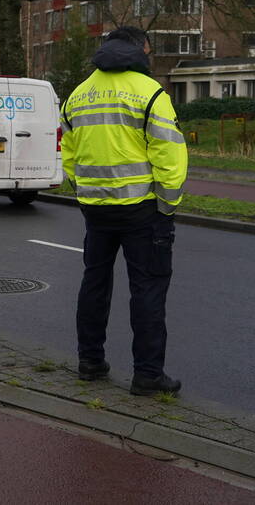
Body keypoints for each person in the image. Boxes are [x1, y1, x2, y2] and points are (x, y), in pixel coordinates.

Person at [60, 26, 188, 396]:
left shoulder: (78, 95)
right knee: (147, 289)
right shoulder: (151, 92)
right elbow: (169, 154)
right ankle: (147, 375)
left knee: (94, 283)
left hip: (96, 210)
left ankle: (90, 361)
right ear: (141, 50)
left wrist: (86, 191)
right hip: (142, 210)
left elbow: (69, 153)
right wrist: (167, 206)